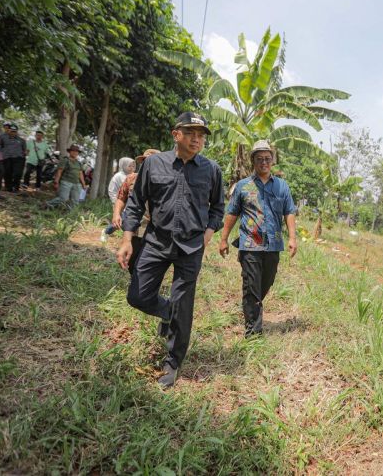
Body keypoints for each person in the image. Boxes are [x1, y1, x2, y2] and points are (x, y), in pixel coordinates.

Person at [117, 113, 224, 388]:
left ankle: (173, 362)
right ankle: (167, 311)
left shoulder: (211, 170)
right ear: (176, 134)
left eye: (201, 134)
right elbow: (136, 203)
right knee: (138, 296)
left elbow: (218, 208)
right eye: (190, 132)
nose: (197, 138)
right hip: (156, 242)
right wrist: (128, 239)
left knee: (184, 305)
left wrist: (209, 233)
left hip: (191, 247)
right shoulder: (154, 164)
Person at [219, 140, 298, 337]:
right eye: (260, 159)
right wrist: (223, 239)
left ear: (272, 161)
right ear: (253, 160)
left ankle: (251, 307)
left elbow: (289, 211)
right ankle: (253, 333)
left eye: (267, 159)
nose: (264, 162)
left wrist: (293, 238)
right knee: (251, 285)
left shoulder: (282, 186)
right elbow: (232, 213)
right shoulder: (243, 186)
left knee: (267, 281)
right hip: (250, 244)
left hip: (273, 244)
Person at [100, 156, 135, 242]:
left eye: (133, 166)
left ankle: (128, 239)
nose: (132, 168)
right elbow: (111, 191)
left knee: (126, 221)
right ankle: (106, 231)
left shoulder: (133, 176)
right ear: (123, 166)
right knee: (120, 222)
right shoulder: (118, 176)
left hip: (129, 203)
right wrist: (116, 203)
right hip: (120, 203)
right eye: (129, 166)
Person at [45, 144, 86, 209]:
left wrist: (83, 184)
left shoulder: (78, 163)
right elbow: (59, 171)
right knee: (63, 198)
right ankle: (48, 204)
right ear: (70, 152)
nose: (75, 152)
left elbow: (80, 174)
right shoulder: (65, 160)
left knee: (75, 201)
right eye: (73, 151)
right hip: (66, 182)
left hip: (77, 183)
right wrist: (56, 182)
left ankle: (71, 214)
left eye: (76, 151)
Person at [0, 123, 26, 193]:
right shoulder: (2, 138)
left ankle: (16, 187)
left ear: (17, 132)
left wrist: (24, 154)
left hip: (18, 159)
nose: (13, 133)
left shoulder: (22, 140)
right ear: (9, 131)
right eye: (12, 131)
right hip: (7, 158)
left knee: (17, 173)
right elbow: (0, 147)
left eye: (15, 131)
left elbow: (24, 150)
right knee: (7, 173)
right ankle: (8, 187)